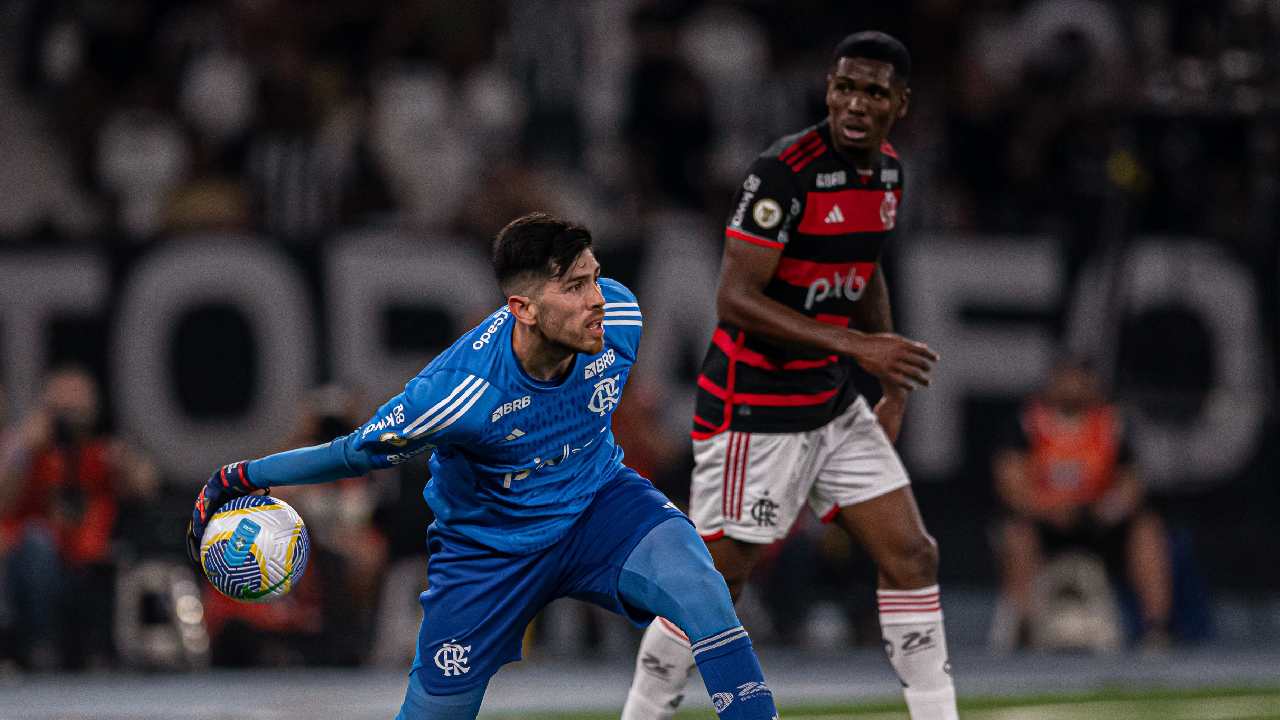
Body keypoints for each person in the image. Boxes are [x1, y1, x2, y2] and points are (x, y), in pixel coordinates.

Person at [186, 213, 781, 720]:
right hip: (489, 553)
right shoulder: (459, 392)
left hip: (601, 505)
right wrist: (241, 477)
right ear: (522, 307)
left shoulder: (619, 318)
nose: (599, 298)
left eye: (595, 277)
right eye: (575, 287)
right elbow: (351, 451)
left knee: (703, 589)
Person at [622, 32, 959, 720]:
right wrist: (857, 349)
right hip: (755, 404)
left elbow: (863, 272)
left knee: (912, 554)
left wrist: (886, 378)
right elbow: (735, 300)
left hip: (831, 402)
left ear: (901, 102)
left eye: (872, 91)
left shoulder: (887, 173)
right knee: (717, 582)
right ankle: (643, 713)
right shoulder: (784, 172)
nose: (854, 103)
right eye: (844, 87)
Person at [992, 357, 1172, 648]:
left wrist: (1107, 511)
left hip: (1097, 523)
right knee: (1016, 534)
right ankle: (1023, 623)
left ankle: (1157, 628)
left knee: (1148, 529)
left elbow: (1132, 482)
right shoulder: (1027, 423)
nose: (1072, 386)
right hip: (1046, 523)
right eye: (1066, 378)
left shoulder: (1113, 425)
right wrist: (1049, 509)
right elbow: (1010, 484)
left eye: (1079, 379)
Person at [0, 365, 153, 670]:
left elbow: (146, 486)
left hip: (85, 565)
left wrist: (127, 462)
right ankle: (38, 646)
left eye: (77, 410)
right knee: (36, 542)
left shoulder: (101, 455)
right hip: (31, 572)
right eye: (61, 411)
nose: (69, 420)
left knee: (107, 564)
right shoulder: (30, 455)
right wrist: (24, 449)